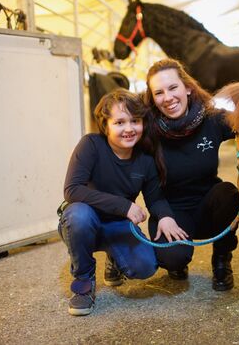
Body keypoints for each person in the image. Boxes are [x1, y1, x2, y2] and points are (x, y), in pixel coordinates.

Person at [57, 88, 185, 316]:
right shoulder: (91, 145)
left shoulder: (145, 159)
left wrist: (166, 216)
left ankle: (113, 259)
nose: (128, 129)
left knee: (145, 267)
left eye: (135, 121)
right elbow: (72, 190)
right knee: (79, 215)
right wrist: (124, 206)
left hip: (117, 225)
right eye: (119, 122)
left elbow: (155, 197)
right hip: (85, 221)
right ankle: (83, 283)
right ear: (105, 125)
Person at [143, 58, 239, 291]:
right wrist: (162, 215)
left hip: (210, 206)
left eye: (173, 87)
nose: (167, 97)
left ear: (187, 88)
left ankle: (221, 259)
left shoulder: (212, 119)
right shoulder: (147, 131)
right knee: (171, 259)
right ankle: (178, 260)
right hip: (171, 211)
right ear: (152, 98)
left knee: (229, 194)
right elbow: (147, 184)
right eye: (159, 92)